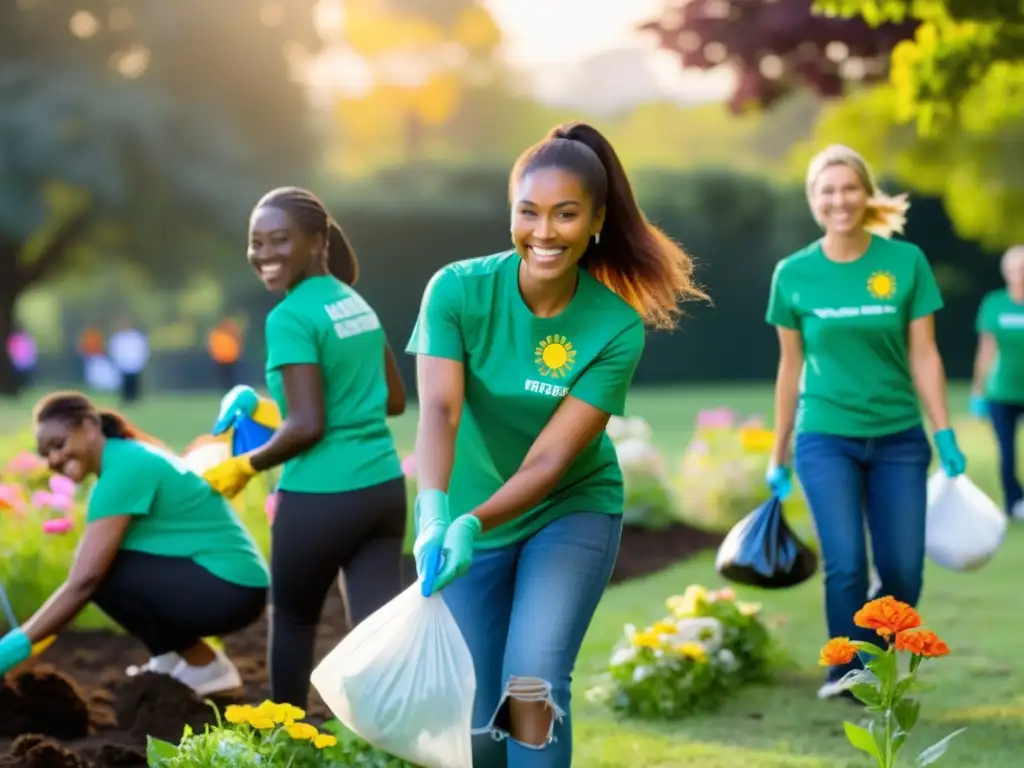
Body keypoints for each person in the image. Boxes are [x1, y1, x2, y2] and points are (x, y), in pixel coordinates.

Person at [407, 121, 708, 767]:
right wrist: (434, 509)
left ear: (596, 220)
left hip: (565, 512)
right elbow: (438, 408)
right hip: (466, 512)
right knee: (476, 720)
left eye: (566, 215)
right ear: (510, 212)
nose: (544, 232)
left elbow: (549, 459)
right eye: (529, 212)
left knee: (531, 685)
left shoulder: (614, 325)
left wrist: (469, 519)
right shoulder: (457, 290)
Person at [764, 144, 966, 701]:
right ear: (813, 200)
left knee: (903, 570)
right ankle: (848, 671)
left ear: (866, 193)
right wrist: (777, 454)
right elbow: (789, 369)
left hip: (900, 437)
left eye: (849, 187)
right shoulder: (794, 274)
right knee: (847, 562)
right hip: (826, 437)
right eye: (827, 190)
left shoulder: (905, 263)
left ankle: (879, 653)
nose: (839, 199)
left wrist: (943, 429)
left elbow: (925, 353)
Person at [201, 186, 408, 709]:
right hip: (382, 491)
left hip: (321, 495)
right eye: (256, 243)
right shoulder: (353, 301)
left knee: (293, 620)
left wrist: (246, 465)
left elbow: (309, 426)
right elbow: (394, 400)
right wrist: (278, 416)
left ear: (318, 241)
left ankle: (282, 743)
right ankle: (388, 745)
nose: (264, 254)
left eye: (279, 241)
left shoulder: (289, 317)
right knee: (376, 631)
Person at [0, 392, 268, 696]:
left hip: (230, 588)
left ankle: (205, 667)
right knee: (102, 568)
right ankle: (170, 661)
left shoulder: (125, 468)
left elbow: (83, 582)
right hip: (227, 584)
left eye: (58, 445)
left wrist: (7, 652)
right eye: (45, 454)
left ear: (89, 426)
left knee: (98, 572)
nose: (54, 460)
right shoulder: (124, 458)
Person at [970, 244, 1024, 518]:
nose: (1020, 274)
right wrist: (978, 389)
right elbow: (986, 349)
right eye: (1015, 269)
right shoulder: (994, 303)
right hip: (1002, 391)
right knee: (1007, 450)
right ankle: (1015, 501)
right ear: (1006, 272)